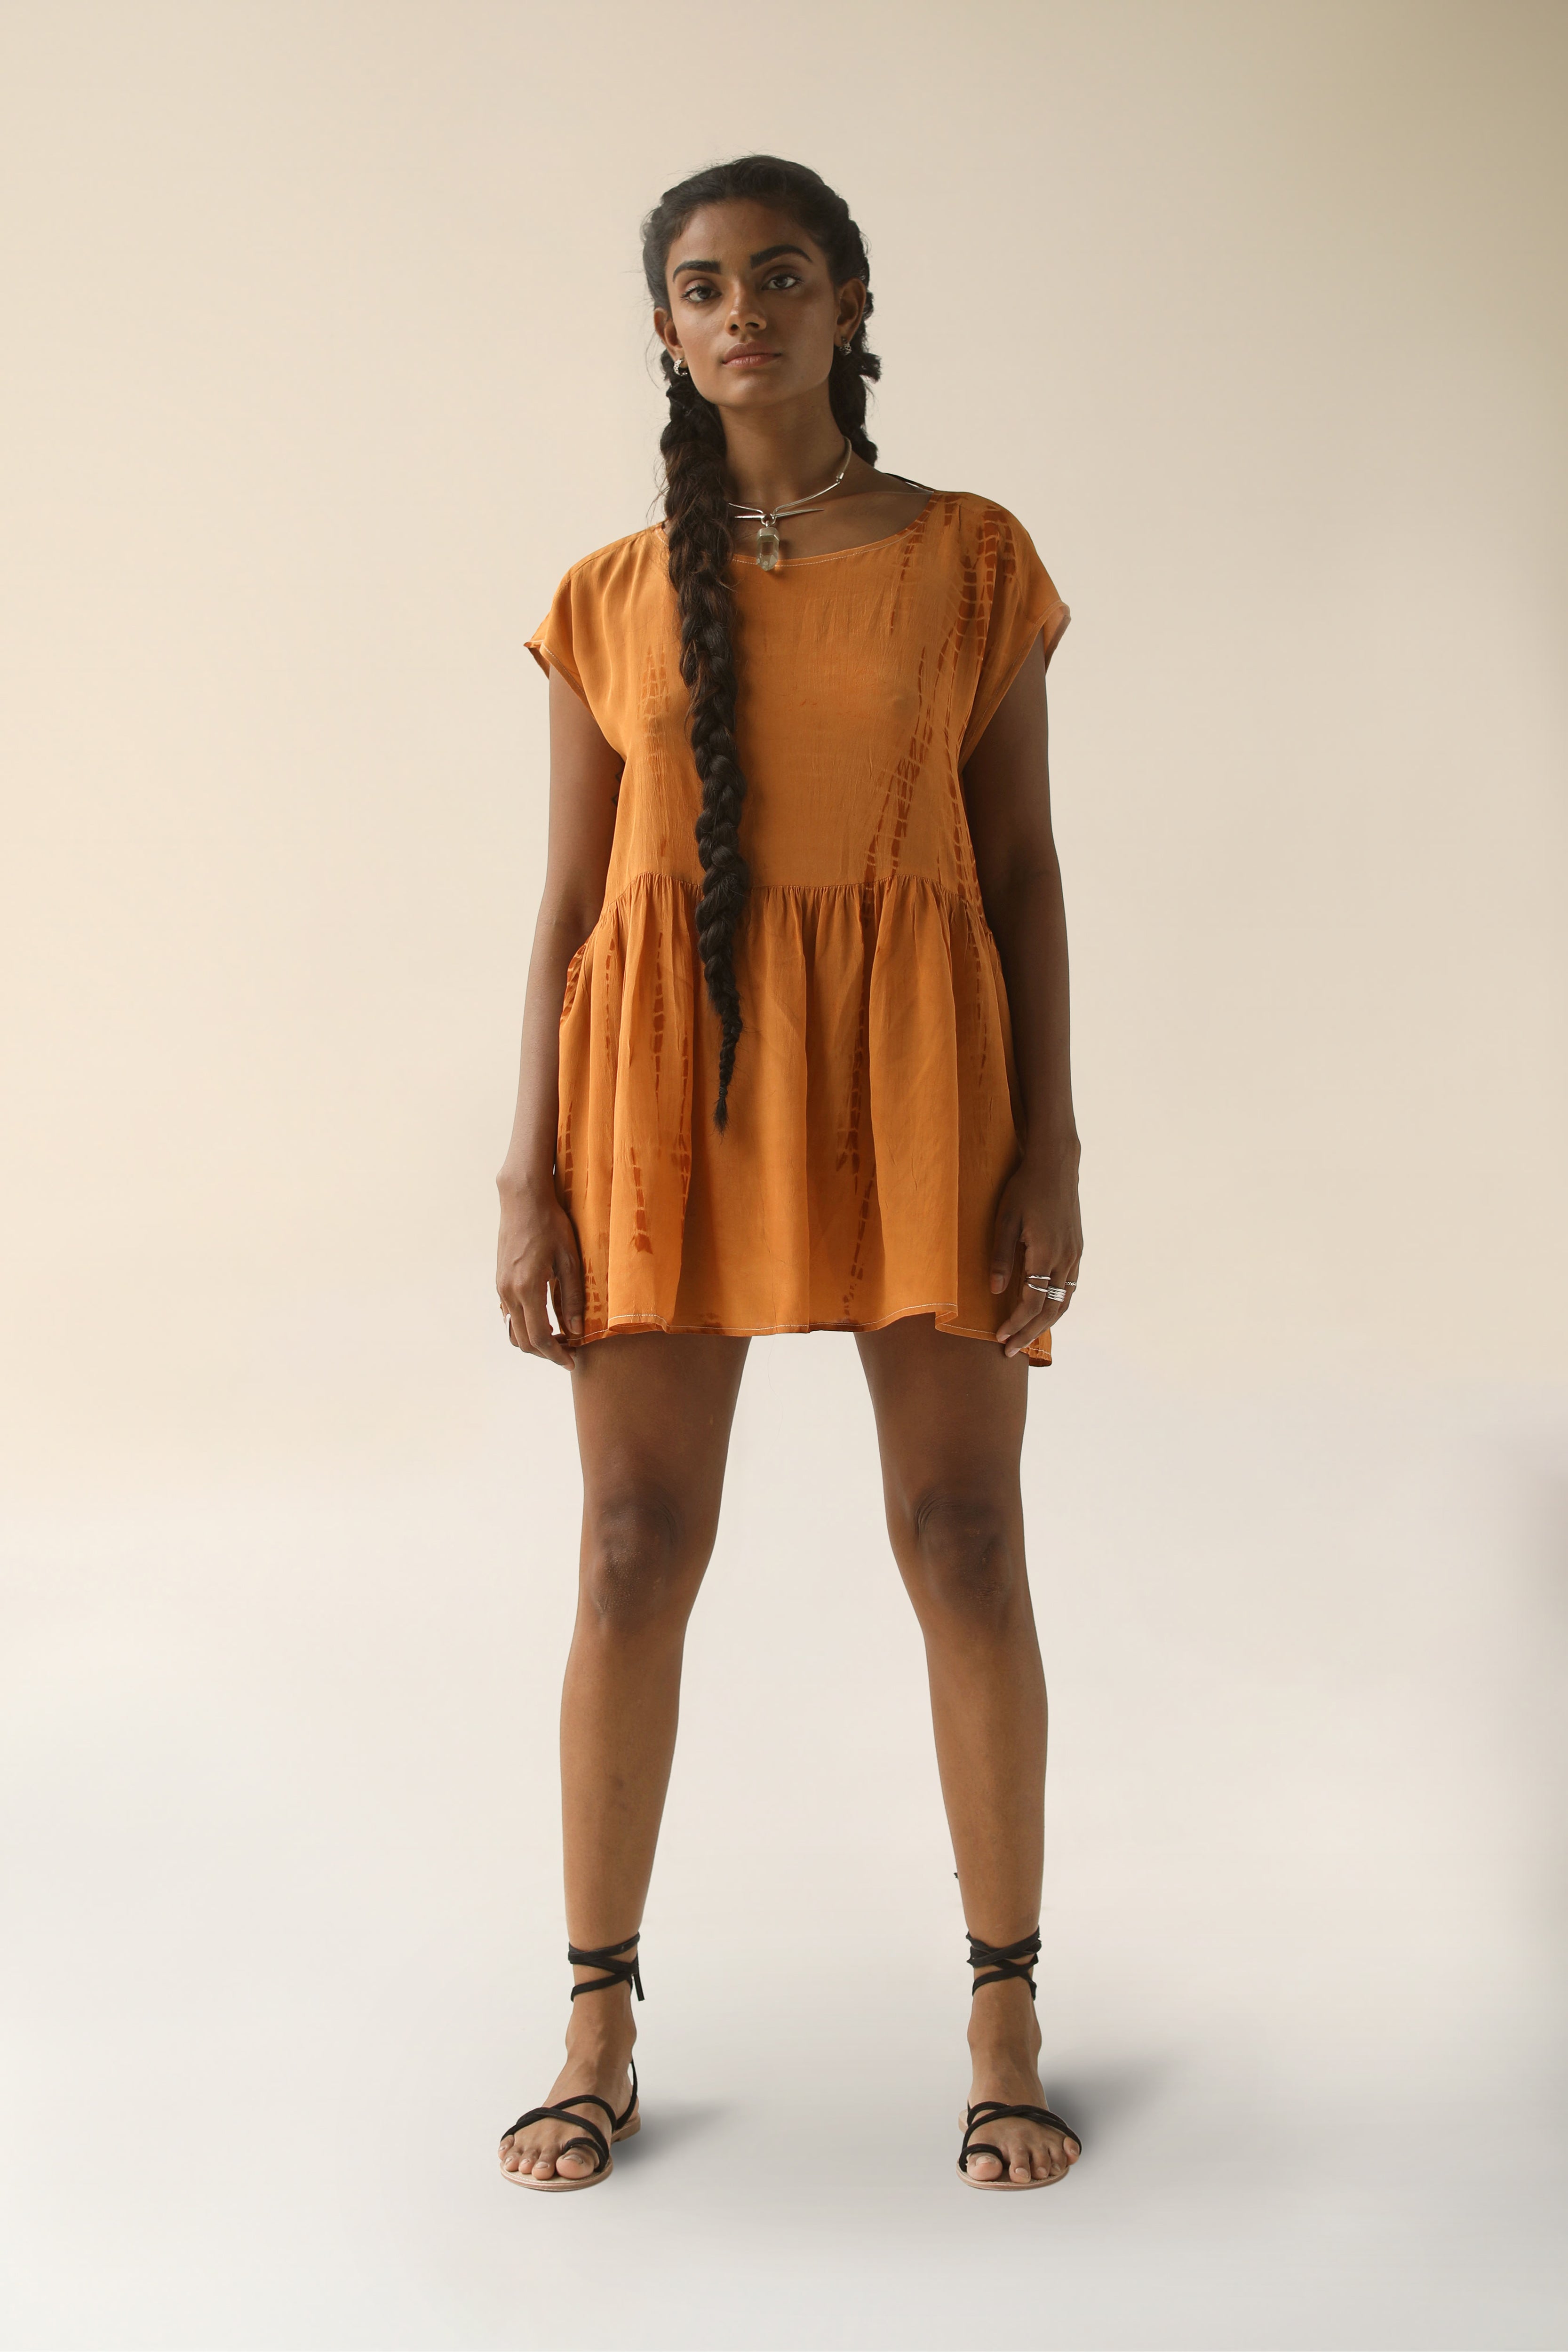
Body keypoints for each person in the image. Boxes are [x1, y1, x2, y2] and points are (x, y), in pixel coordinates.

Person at [493, 155, 1083, 2194]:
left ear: (850, 302)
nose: (743, 308)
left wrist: (1053, 1141)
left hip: (925, 1082)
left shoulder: (973, 559)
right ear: (666, 330)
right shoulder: (607, 595)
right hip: (662, 1093)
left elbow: (1021, 870)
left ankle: (1005, 2015)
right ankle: (597, 2021)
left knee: (963, 1532)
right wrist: (526, 1171)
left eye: (781, 274)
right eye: (702, 284)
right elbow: (571, 904)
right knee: (631, 1544)